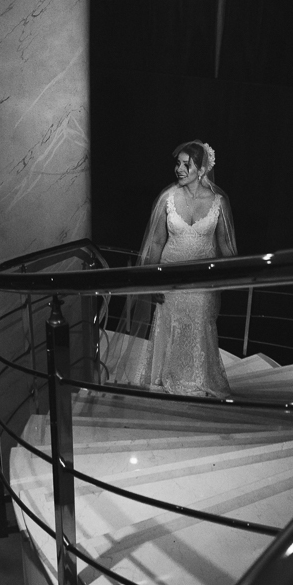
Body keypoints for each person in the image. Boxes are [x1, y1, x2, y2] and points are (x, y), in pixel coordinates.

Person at [108, 140, 237, 397]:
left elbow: (225, 246)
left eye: (186, 164)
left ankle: (198, 379)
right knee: (170, 328)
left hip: (202, 282)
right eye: (177, 163)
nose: (179, 169)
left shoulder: (218, 202)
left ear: (201, 170)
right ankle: (166, 377)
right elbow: (156, 242)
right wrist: (151, 281)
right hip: (169, 278)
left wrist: (228, 275)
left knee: (199, 328)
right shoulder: (167, 198)